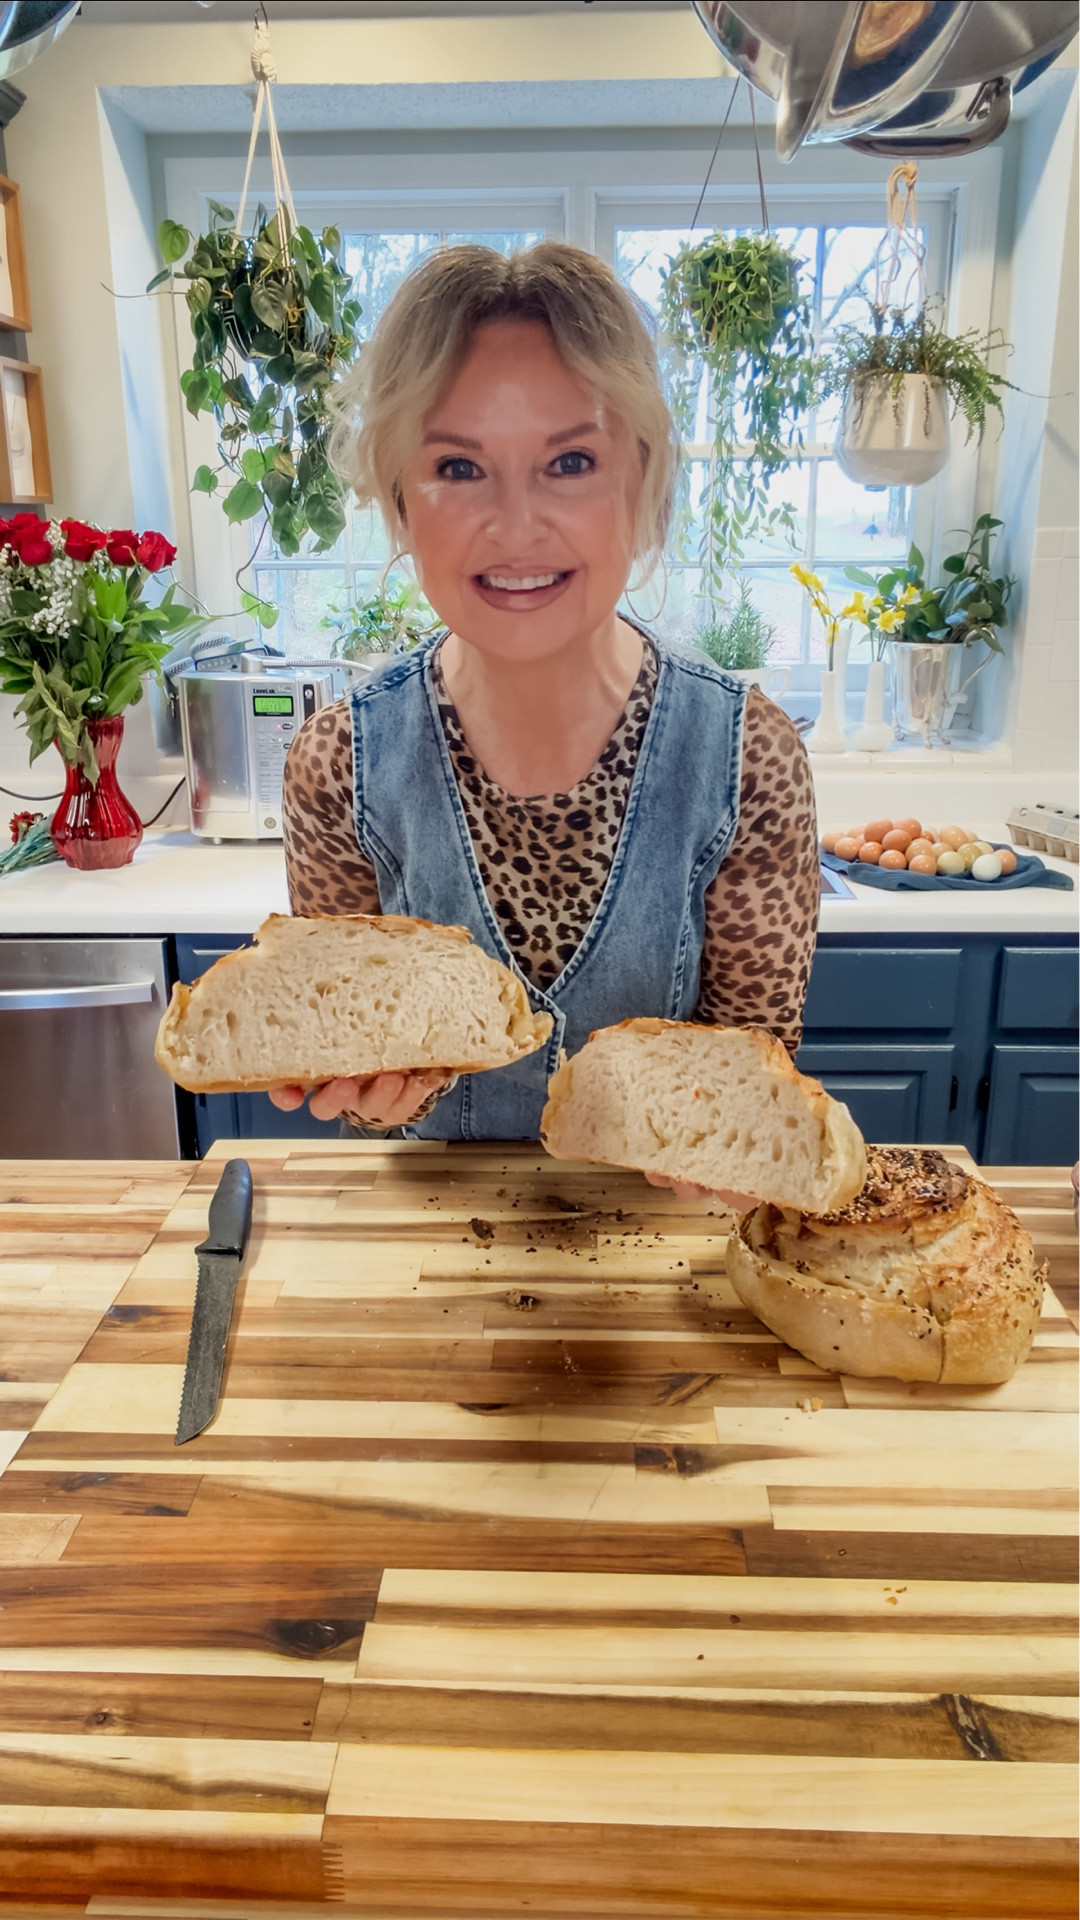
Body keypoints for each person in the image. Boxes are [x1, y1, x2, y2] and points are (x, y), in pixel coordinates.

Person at [273, 242, 819, 1202]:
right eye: (458, 465)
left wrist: (728, 1141)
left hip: (659, 1276)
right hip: (425, 1264)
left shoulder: (749, 759)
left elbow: (753, 1064)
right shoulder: (337, 763)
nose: (516, 525)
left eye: (570, 461)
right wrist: (374, 1093)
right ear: (401, 498)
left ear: (642, 485)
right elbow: (358, 1085)